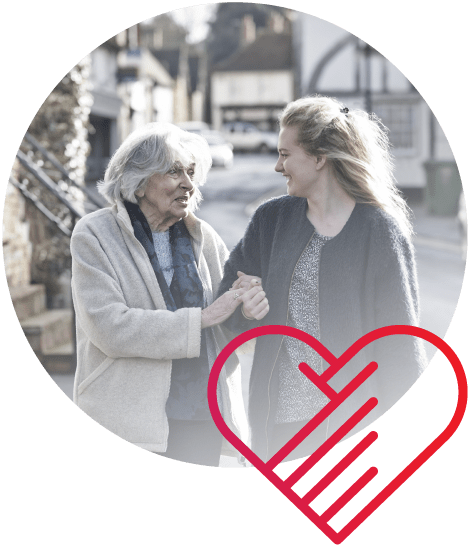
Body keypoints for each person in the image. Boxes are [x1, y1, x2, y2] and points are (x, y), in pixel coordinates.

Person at [219, 96, 427, 462]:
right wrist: (245, 308)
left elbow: (400, 345)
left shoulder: (379, 232)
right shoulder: (271, 221)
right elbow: (227, 298)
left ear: (319, 158)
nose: (277, 166)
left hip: (354, 427)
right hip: (279, 425)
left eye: (286, 154)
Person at [71, 122, 264, 466]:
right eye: (175, 172)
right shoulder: (94, 235)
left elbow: (229, 323)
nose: (189, 184)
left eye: (191, 172)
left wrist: (245, 310)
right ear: (139, 181)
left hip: (202, 412)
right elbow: (109, 328)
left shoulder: (203, 237)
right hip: (127, 420)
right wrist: (201, 318)